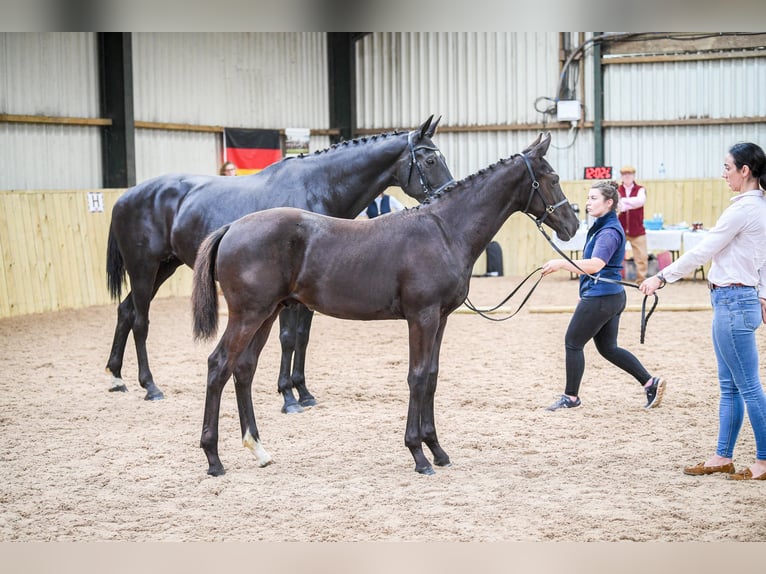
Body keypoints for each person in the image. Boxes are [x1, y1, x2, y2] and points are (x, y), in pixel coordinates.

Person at [640, 142, 766, 481]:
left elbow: (703, 250)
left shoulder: (743, 209)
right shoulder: (755, 207)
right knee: (731, 386)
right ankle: (722, 456)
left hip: (733, 303)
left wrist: (661, 277)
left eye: (727, 167)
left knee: (748, 387)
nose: (723, 173)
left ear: (745, 171)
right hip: (733, 301)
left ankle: (764, 461)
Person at [541, 180, 665, 411]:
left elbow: (596, 264)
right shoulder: (603, 225)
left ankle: (571, 397)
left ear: (609, 203)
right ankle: (650, 383)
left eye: (594, 198)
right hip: (608, 296)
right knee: (608, 348)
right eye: (588, 198)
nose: (588, 202)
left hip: (602, 297)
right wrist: (584, 290)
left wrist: (561, 263)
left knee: (573, 343)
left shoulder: (608, 231)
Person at [617, 165, 649, 283]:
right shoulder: (617, 190)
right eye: (625, 175)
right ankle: (616, 278)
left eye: (629, 174)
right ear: (622, 177)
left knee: (641, 257)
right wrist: (629, 203)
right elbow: (617, 205)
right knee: (616, 255)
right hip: (620, 229)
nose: (627, 177)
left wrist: (623, 202)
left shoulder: (640, 189)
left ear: (633, 176)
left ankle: (641, 279)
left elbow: (640, 201)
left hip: (637, 229)